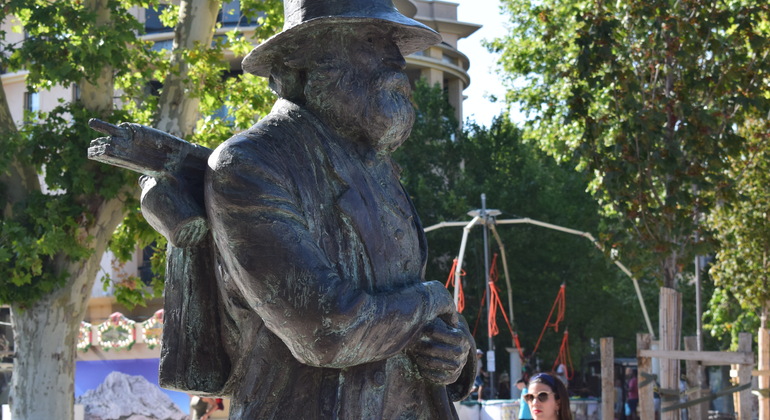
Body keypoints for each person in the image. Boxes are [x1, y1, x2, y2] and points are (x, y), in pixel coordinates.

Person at [138, 0, 477, 418]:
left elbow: (406, 306)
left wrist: (454, 347)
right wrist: (435, 300)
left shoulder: (379, 168)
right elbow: (325, 331)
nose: (396, 58)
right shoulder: (251, 163)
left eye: (395, 43)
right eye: (372, 40)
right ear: (306, 60)